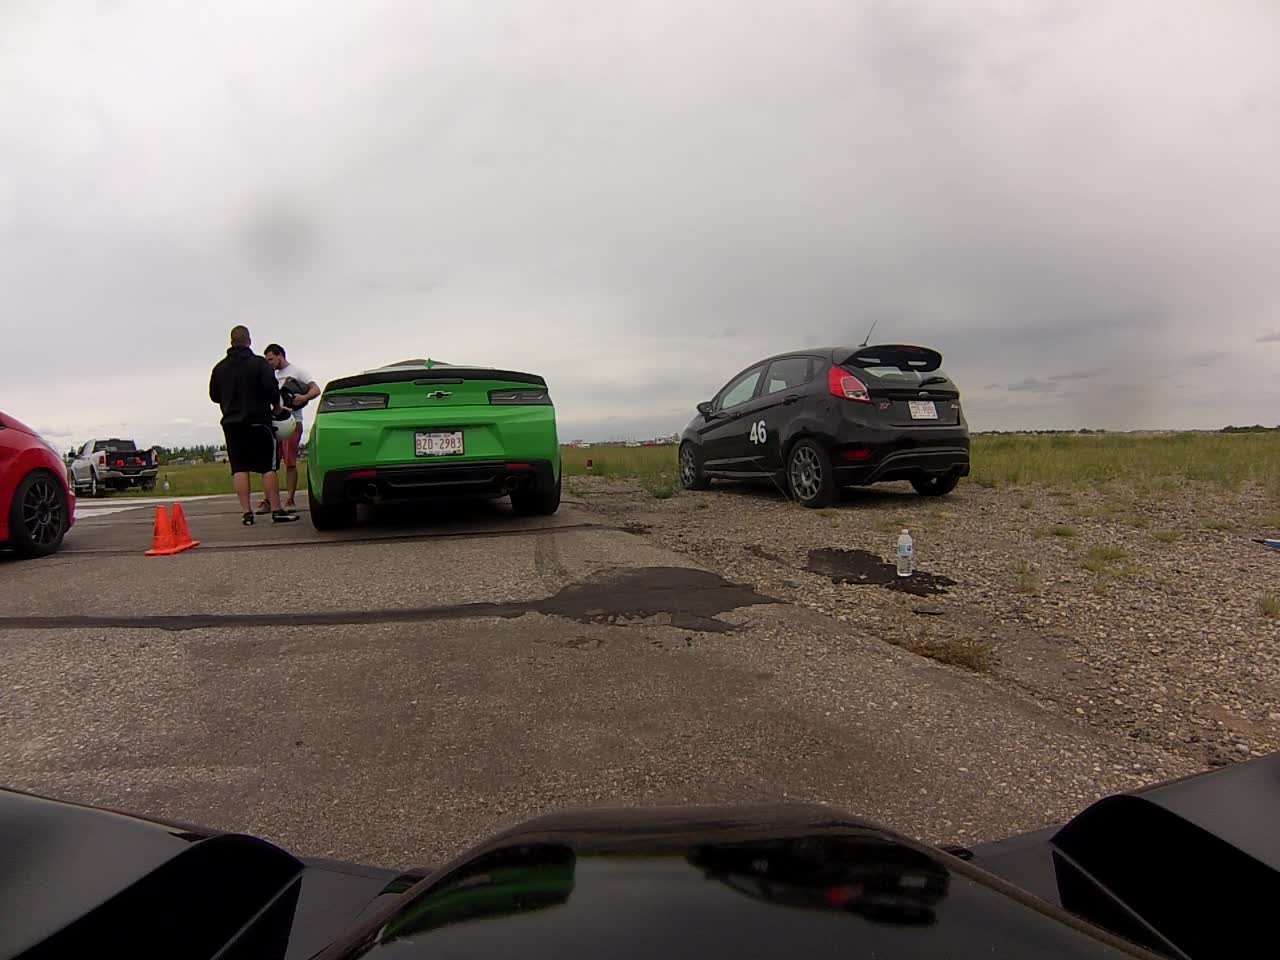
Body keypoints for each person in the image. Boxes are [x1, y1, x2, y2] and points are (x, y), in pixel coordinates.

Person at [208, 326, 299, 525]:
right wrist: (276, 407)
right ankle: (276, 510)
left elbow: (214, 395)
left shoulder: (220, 368)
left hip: (232, 423)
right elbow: (271, 390)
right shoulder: (259, 364)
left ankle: (247, 513)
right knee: (268, 467)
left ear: (231, 342)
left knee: (239, 468)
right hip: (259, 421)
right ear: (249, 341)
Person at [261, 343, 320, 513]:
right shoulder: (269, 375)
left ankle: (290, 499)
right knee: (270, 464)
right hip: (273, 422)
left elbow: (315, 389)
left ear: (280, 356)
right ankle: (268, 499)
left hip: (292, 421)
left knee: (290, 462)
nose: (269, 363)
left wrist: (303, 397)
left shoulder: (297, 371)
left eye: (271, 359)